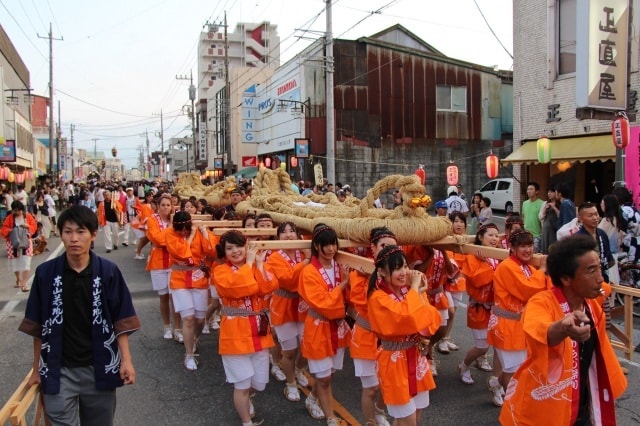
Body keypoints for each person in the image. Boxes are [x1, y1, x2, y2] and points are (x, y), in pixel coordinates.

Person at [19, 205, 140, 426]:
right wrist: (36, 369)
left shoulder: (107, 271)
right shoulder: (46, 274)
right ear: (61, 234)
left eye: (81, 231)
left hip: (99, 367)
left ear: (94, 234)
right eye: (68, 231)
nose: (74, 238)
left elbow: (120, 320)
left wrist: (127, 361)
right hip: (58, 369)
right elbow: (38, 325)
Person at [499, 235, 627, 425]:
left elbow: (604, 289)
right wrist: (563, 328)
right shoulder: (541, 302)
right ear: (566, 278)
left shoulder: (591, 301)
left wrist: (602, 288)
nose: (600, 277)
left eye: (599, 268)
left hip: (583, 401)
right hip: (545, 404)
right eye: (591, 271)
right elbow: (541, 329)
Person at [367, 245, 441, 426]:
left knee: (416, 413)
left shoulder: (408, 293)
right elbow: (405, 318)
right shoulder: (378, 298)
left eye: (405, 266)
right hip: (394, 360)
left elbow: (431, 321)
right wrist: (415, 289)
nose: (404, 272)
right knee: (407, 420)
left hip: (415, 356)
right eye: (397, 268)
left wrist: (418, 293)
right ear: (382, 272)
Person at [213, 230, 278, 426]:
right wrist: (249, 263)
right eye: (229, 248)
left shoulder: (254, 265)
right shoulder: (220, 270)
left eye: (239, 246)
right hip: (235, 333)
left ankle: (245, 399)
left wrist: (258, 263)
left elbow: (269, 287)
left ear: (246, 246)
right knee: (242, 384)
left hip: (258, 330)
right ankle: (246, 422)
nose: (235, 251)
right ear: (223, 252)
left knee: (260, 383)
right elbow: (240, 288)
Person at [298, 224, 351, 426]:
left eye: (334, 244)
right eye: (326, 245)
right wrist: (344, 284)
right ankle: (330, 417)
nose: (331, 249)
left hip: (336, 326)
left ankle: (312, 398)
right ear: (316, 246)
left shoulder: (339, 266)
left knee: (328, 375)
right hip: (319, 326)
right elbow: (323, 302)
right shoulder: (309, 272)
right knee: (325, 377)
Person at [488, 230, 550, 397]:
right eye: (522, 246)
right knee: (514, 371)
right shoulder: (507, 266)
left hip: (520, 326)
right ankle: (513, 411)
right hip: (507, 326)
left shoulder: (528, 267)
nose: (527, 250)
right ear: (513, 248)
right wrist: (543, 269)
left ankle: (495, 383)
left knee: (518, 368)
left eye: (530, 245)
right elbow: (527, 290)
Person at [347, 227, 396, 426]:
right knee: (371, 388)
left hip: (390, 339)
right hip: (366, 335)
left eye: (393, 247)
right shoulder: (361, 270)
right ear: (373, 248)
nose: (388, 251)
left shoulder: (399, 271)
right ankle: (370, 422)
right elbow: (361, 302)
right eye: (383, 246)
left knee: (388, 385)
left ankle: (379, 411)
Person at [265, 222, 312, 404]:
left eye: (292, 230)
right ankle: (291, 383)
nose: (288, 234)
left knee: (308, 346)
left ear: (299, 236)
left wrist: (308, 259)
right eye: (283, 232)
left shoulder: (304, 251)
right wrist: (306, 262)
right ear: (278, 238)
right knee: (290, 350)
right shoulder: (275, 257)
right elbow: (288, 278)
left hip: (303, 303)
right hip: (283, 304)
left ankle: (300, 369)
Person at [165, 211, 217, 371]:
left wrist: (205, 236)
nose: (182, 233)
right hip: (179, 278)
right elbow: (181, 253)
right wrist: (191, 234)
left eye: (186, 230)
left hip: (198, 278)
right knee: (188, 318)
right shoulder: (169, 233)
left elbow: (212, 252)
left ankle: (194, 338)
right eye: (180, 231)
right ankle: (189, 354)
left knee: (200, 320)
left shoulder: (201, 230)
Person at [459, 223, 502, 404]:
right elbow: (477, 281)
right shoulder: (473, 256)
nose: (494, 239)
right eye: (490, 235)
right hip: (479, 308)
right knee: (483, 346)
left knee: (499, 348)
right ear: (480, 237)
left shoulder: (499, 256)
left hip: (497, 309)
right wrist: (485, 263)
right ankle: (463, 366)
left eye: (496, 235)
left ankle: (497, 385)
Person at [146, 193, 183, 342]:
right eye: (163, 205)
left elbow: (181, 238)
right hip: (158, 262)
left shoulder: (176, 219)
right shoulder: (151, 219)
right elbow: (156, 239)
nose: (166, 208)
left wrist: (166, 238)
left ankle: (178, 328)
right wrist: (170, 235)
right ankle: (167, 326)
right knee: (164, 297)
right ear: (158, 206)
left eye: (168, 205)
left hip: (174, 262)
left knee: (175, 297)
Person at [1, 200, 38, 291]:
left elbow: (34, 226)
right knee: (15, 262)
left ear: (22, 209)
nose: (17, 212)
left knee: (26, 262)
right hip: (13, 242)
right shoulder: (9, 218)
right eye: (15, 210)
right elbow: (4, 229)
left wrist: (28, 226)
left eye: (18, 210)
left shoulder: (28, 217)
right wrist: (10, 230)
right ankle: (18, 279)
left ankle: (24, 283)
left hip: (26, 242)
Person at [576, 202, 614, 284]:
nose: (595, 218)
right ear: (580, 218)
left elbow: (608, 259)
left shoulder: (602, 234)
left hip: (603, 278)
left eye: (596, 214)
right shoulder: (577, 238)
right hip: (586, 281)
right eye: (590, 215)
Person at [599, 194, 625, 284]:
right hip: (614, 254)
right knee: (613, 282)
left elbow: (599, 235)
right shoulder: (616, 219)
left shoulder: (607, 220)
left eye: (602, 204)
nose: (601, 206)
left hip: (606, 255)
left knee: (608, 282)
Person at [522, 182, 544, 253]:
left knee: (534, 256)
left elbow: (543, 220)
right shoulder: (524, 203)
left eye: (531, 189)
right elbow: (523, 217)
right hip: (525, 234)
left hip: (536, 236)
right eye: (528, 189)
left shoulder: (542, 204)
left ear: (537, 191)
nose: (528, 191)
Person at [539, 186, 560, 254]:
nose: (549, 194)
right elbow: (540, 217)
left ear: (556, 193)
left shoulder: (560, 204)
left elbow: (560, 216)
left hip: (555, 230)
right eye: (548, 192)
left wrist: (554, 207)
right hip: (545, 229)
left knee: (553, 247)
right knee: (545, 247)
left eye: (551, 192)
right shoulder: (545, 203)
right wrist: (545, 209)